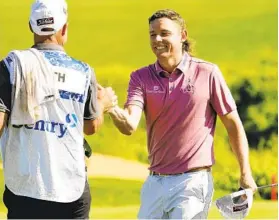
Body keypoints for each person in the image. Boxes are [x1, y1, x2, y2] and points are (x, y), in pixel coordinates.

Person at [107, 9, 257, 219]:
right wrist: (111, 108)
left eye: (164, 33)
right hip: (155, 182)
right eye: (152, 34)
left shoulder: (208, 73)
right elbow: (129, 125)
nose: (157, 39)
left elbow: (233, 125)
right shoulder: (140, 77)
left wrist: (245, 173)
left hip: (193, 181)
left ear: (183, 36)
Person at [0, 0, 117, 219]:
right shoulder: (83, 72)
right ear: (64, 28)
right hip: (70, 188)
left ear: (30, 26)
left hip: (24, 187)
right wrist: (104, 102)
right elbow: (91, 126)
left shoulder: (12, 65)